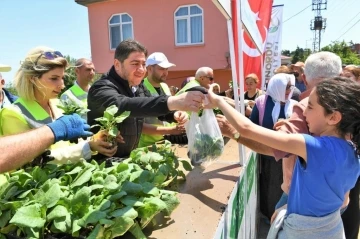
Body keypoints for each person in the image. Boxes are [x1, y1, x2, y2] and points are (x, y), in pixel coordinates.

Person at [217, 51, 360, 239]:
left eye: (309, 107)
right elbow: (342, 200)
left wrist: (218, 100)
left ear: (333, 117)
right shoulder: (353, 150)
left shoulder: (311, 146)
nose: (303, 113)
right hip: (332, 228)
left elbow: (247, 128)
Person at [87, 39, 205, 159]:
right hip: (103, 163)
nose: (142, 70)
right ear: (117, 64)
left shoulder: (137, 86)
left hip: (127, 158)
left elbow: (149, 103)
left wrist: (173, 114)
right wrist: (173, 101)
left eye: (143, 64)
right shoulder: (101, 88)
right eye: (135, 64)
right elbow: (124, 105)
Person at [0, 46, 118, 164]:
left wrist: (98, 139)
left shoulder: (57, 104)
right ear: (32, 79)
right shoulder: (13, 114)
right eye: (54, 78)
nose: (61, 85)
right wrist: (88, 147)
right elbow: (29, 163)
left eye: (62, 78)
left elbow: (68, 145)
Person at [250, 73, 297, 220]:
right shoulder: (261, 103)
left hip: (290, 157)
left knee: (286, 186)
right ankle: (268, 216)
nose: (290, 90)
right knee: (269, 185)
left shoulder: (294, 105)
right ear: (277, 86)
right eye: (286, 86)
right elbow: (252, 126)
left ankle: (283, 216)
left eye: (291, 86)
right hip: (268, 155)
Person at [0, 114, 92, 173]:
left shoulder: (56, 102)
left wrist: (89, 144)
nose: (62, 85)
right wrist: (54, 130)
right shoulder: (13, 112)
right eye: (54, 81)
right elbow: (27, 165)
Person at [138, 52, 187, 148]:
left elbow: (169, 110)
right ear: (150, 69)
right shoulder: (140, 90)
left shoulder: (164, 86)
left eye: (167, 69)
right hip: (147, 147)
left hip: (166, 142)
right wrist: (171, 130)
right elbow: (140, 127)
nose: (165, 72)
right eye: (161, 69)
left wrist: (178, 114)